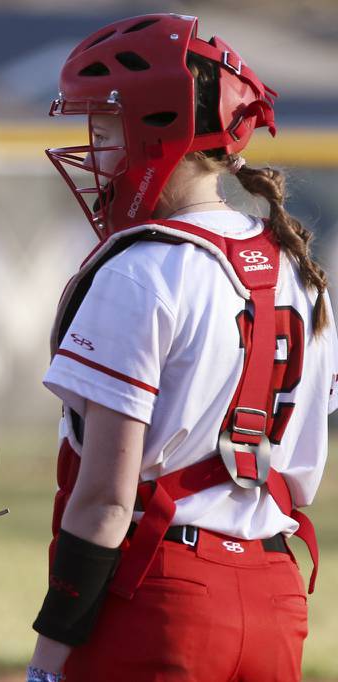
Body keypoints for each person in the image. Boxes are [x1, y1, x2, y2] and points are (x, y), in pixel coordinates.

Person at [26, 14, 337, 682]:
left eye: (104, 130)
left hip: (163, 591)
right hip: (278, 591)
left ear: (155, 131)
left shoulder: (140, 270)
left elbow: (106, 500)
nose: (94, 152)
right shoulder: (299, 268)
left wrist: (49, 657)